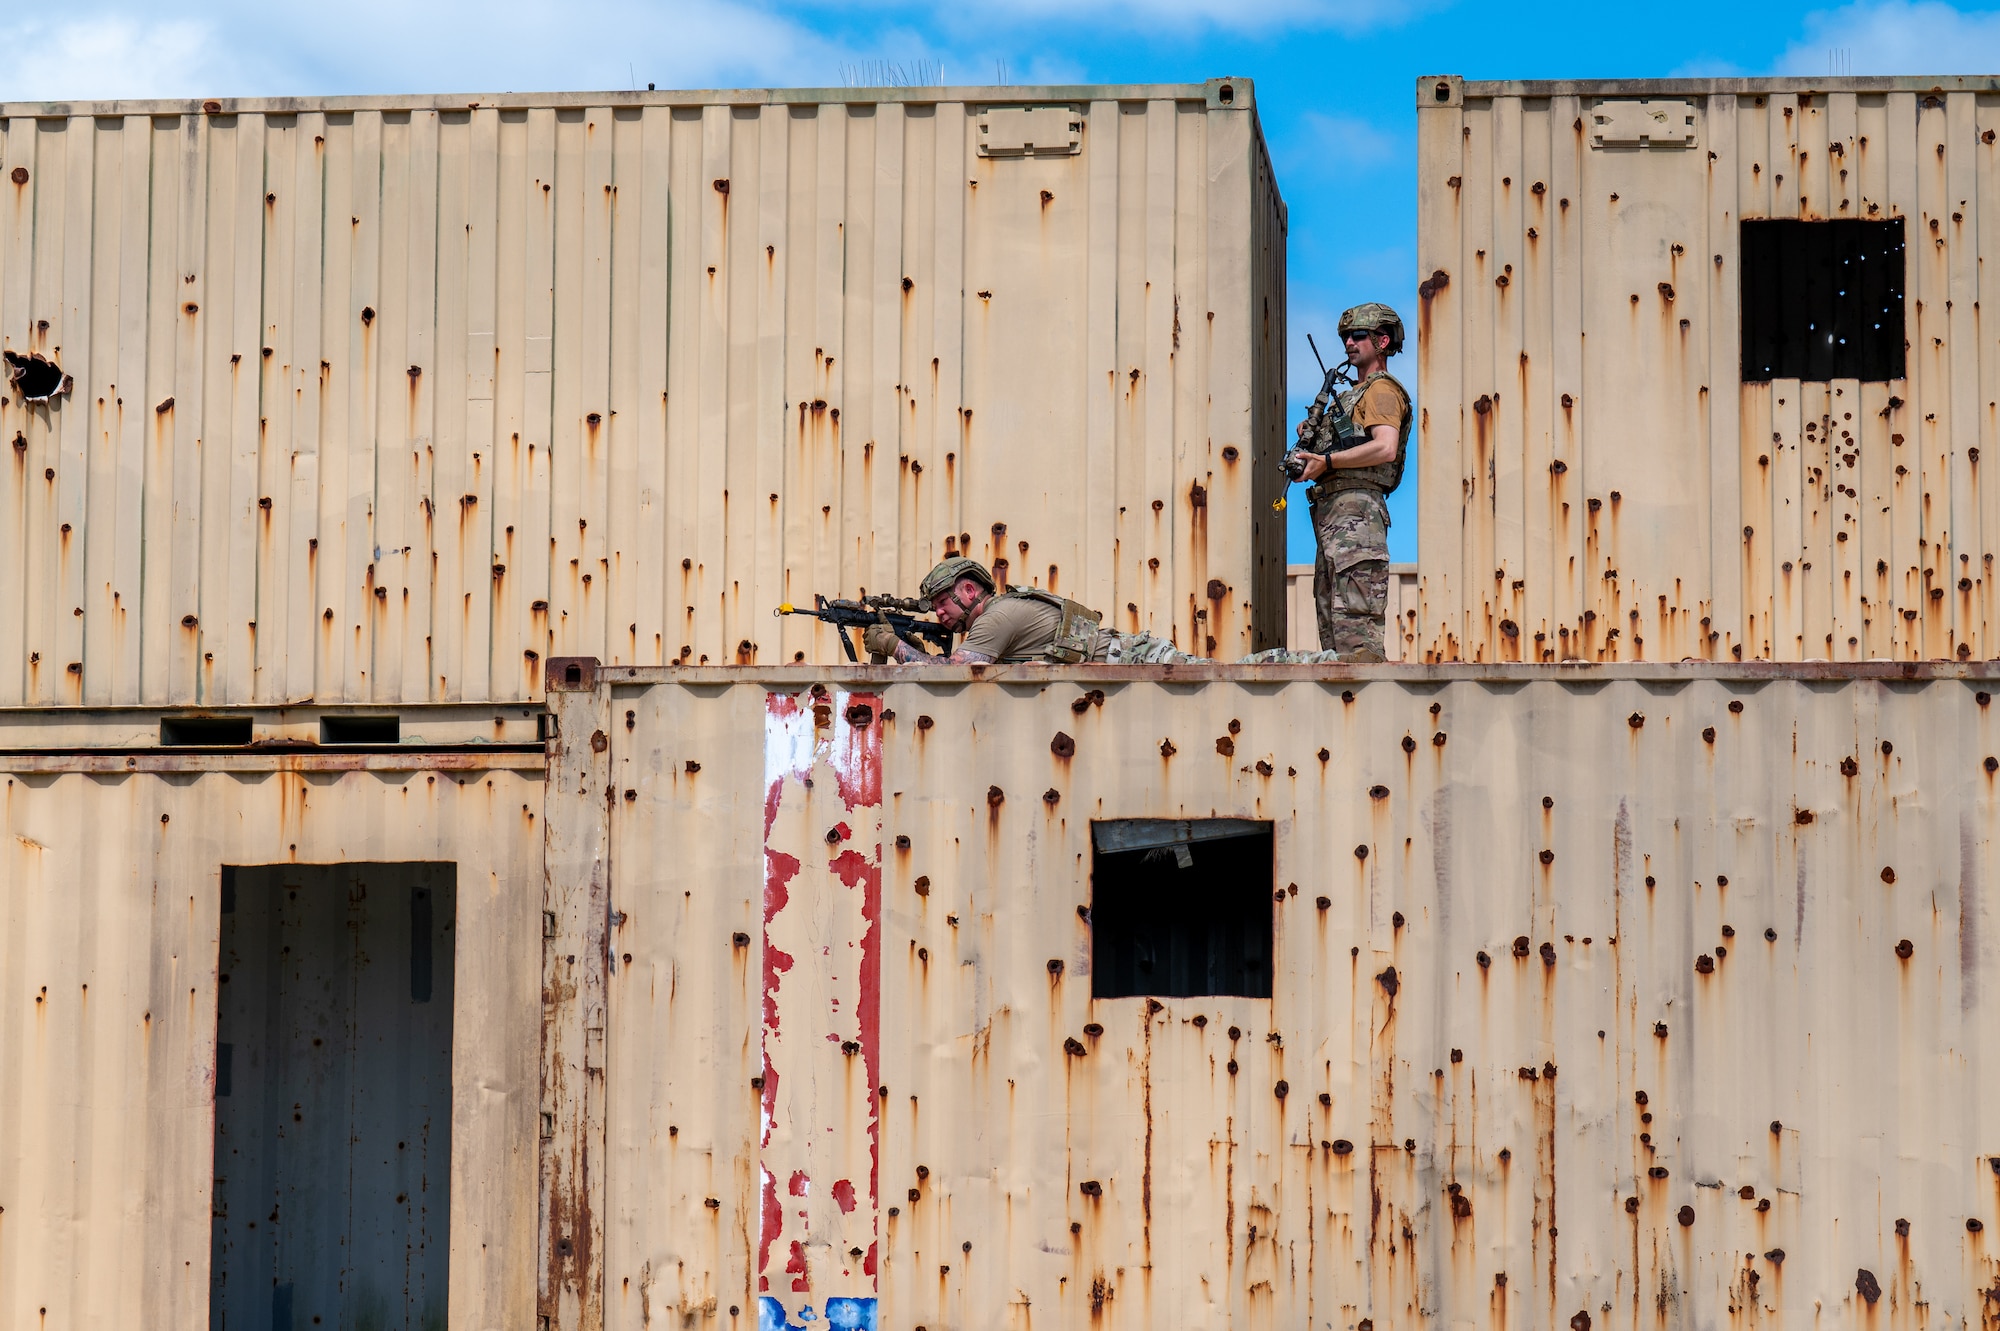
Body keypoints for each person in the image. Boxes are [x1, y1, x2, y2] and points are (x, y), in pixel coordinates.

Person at [1276, 303, 1411, 663]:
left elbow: (1385, 446)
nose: (1349, 342)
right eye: (1345, 336)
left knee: (1357, 638)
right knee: (1335, 634)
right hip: (1334, 516)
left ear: (1382, 341)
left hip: (1358, 512)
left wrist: (1327, 460)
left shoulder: (1381, 391)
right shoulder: (1354, 394)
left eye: (1359, 335)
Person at [862, 557, 1200, 665]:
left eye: (942, 603)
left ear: (968, 590)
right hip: (1131, 660)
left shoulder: (996, 618)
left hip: (1137, 662)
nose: (938, 613)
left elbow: (952, 674)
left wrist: (895, 647)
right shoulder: (1000, 611)